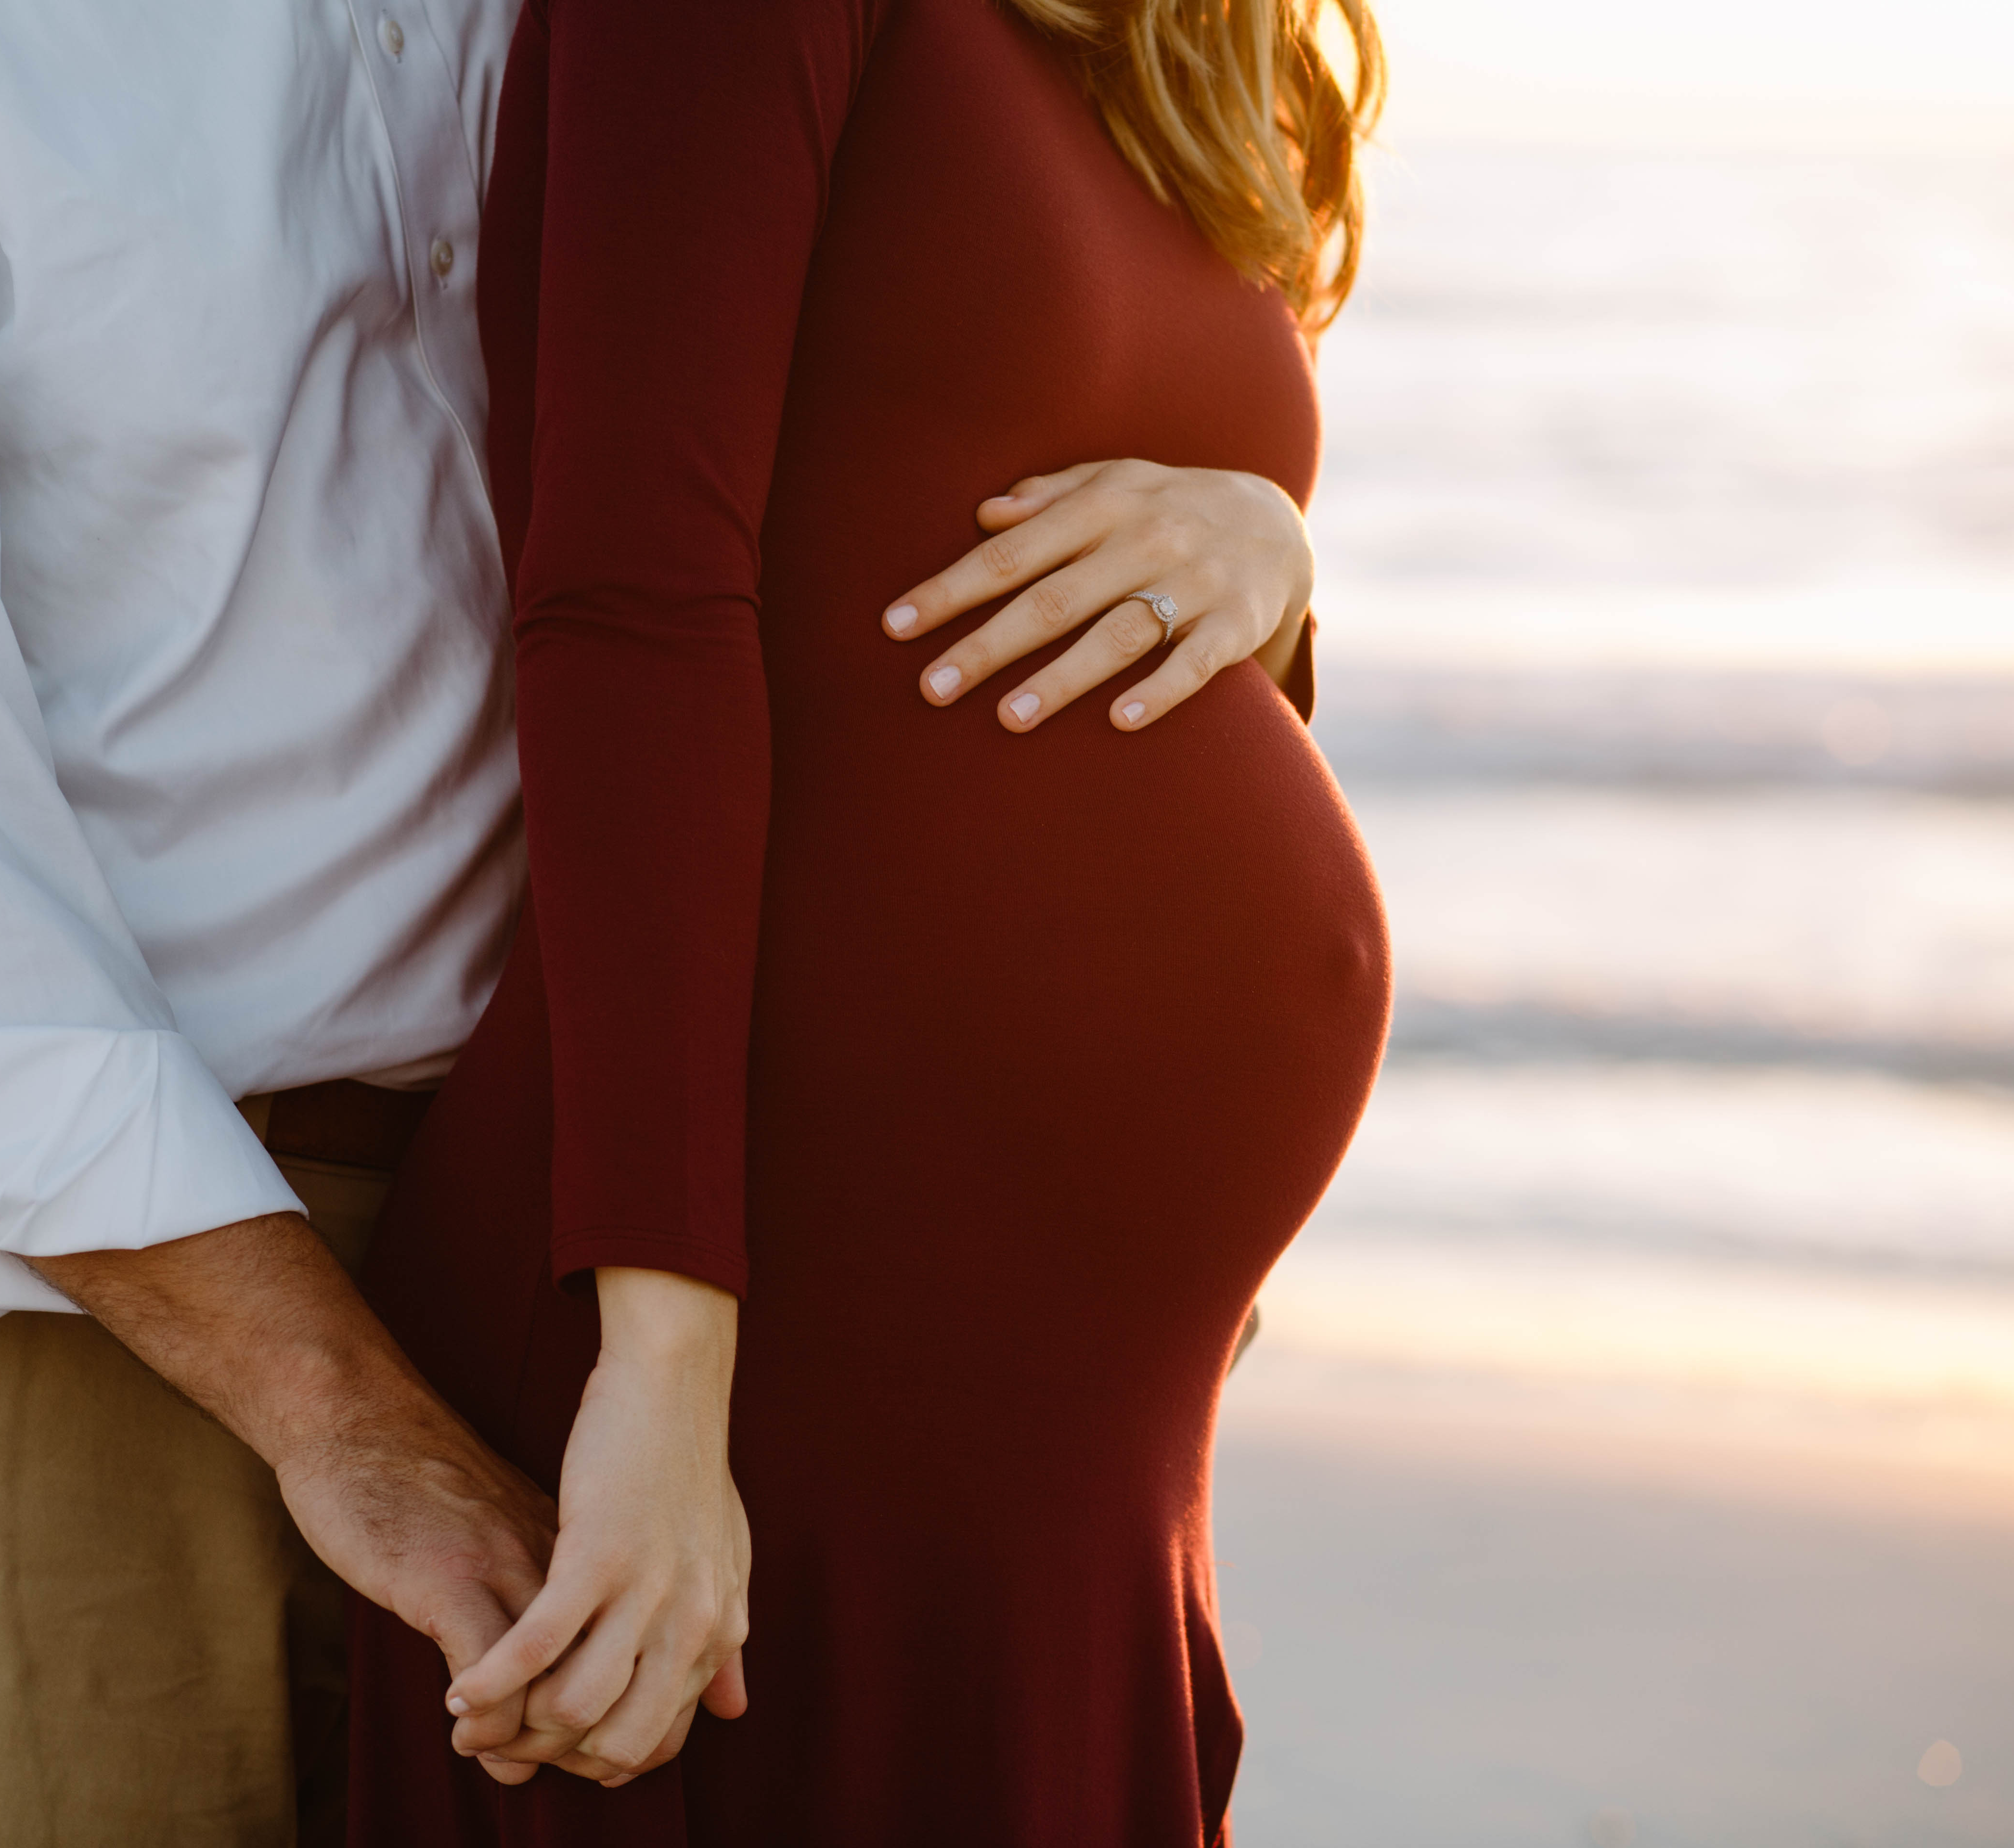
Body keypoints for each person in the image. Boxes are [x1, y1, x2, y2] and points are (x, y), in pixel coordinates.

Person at [0, 0, 1329, 1838]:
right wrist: (351, 1424)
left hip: (566, 1257)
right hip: (43, 1318)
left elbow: (785, 477)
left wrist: (1255, 543)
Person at [343, 0, 1393, 1839]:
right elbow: (628, 608)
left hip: (1068, 1397)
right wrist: (662, 1368)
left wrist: (1276, 551)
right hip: (780, 1299)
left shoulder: (1180, 38)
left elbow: (1014, 510)